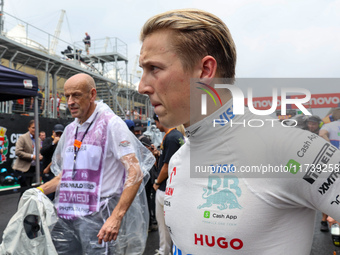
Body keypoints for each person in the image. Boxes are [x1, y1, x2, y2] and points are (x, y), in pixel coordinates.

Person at [138, 9, 340, 254]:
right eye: (142, 70)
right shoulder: (181, 157)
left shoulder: (285, 147)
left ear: (204, 71)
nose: (141, 86)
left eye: (154, 68)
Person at [36, 73, 154, 254]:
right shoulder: (70, 129)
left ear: (92, 95)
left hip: (100, 221)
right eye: (67, 96)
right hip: (66, 218)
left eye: (76, 95)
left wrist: (116, 217)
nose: (70, 101)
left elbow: (135, 172)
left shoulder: (111, 124)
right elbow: (65, 177)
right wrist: (37, 192)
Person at [152, 113, 184, 255]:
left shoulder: (170, 137)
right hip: (175, 187)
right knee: (176, 226)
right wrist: (158, 154)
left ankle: (164, 251)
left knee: (164, 226)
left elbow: (166, 166)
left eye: (155, 122)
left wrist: (157, 182)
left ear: (159, 120)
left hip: (165, 188)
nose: (156, 126)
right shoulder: (176, 135)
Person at [13, 120, 43, 197]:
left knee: (28, 191)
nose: (35, 129)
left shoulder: (38, 140)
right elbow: (18, 152)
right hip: (22, 169)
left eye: (37, 128)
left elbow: (36, 152)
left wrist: (39, 156)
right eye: (33, 127)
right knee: (25, 191)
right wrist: (32, 156)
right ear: (28, 128)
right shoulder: (23, 137)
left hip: (32, 168)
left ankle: (24, 208)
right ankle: (21, 208)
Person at [40, 124, 64, 201]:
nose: (59, 136)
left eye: (61, 134)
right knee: (49, 194)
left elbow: (59, 157)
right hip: (48, 171)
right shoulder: (48, 140)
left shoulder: (63, 142)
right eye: (57, 133)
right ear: (53, 132)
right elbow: (43, 152)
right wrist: (53, 142)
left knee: (58, 194)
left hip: (59, 171)